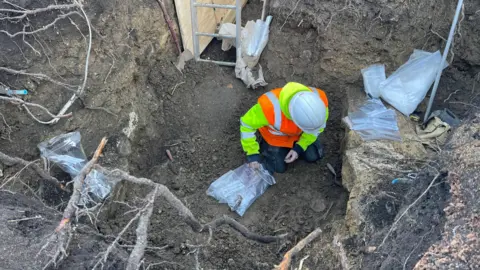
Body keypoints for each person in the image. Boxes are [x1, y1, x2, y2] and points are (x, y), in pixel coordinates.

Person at [240, 82, 329, 174]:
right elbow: (247, 125)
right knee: (278, 168)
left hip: (300, 135)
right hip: (275, 139)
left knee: (313, 156)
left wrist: (299, 147)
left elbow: (317, 129)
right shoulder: (268, 107)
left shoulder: (320, 101)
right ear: (293, 118)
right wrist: (253, 154)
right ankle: (266, 147)